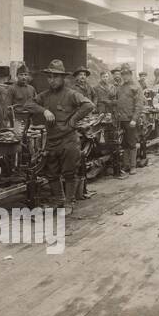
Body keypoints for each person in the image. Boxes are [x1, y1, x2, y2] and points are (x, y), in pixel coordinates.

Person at [24, 59, 94, 211]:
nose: (52, 80)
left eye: (55, 77)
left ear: (63, 78)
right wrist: (44, 110)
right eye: (49, 77)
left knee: (69, 173)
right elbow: (28, 104)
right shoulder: (45, 95)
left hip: (68, 140)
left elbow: (89, 105)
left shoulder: (71, 94)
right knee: (51, 173)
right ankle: (59, 199)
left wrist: (73, 120)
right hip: (52, 140)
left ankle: (69, 202)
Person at [114, 65, 143, 172]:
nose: (125, 76)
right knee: (124, 143)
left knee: (132, 143)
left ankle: (133, 166)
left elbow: (139, 105)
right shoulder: (121, 87)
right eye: (123, 74)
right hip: (121, 119)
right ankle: (126, 165)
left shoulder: (136, 87)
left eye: (127, 74)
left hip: (131, 120)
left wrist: (134, 119)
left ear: (131, 74)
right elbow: (119, 102)